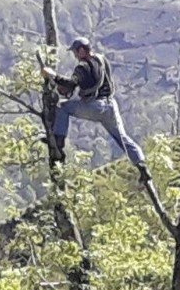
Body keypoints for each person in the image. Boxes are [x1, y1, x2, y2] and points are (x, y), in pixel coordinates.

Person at [41, 37, 152, 184]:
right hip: (111, 105)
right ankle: (142, 167)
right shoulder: (101, 59)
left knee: (62, 107)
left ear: (81, 50)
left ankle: (58, 144)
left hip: (95, 107)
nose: (74, 55)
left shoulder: (82, 67)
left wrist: (52, 75)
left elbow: (71, 83)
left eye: (75, 51)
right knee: (123, 138)